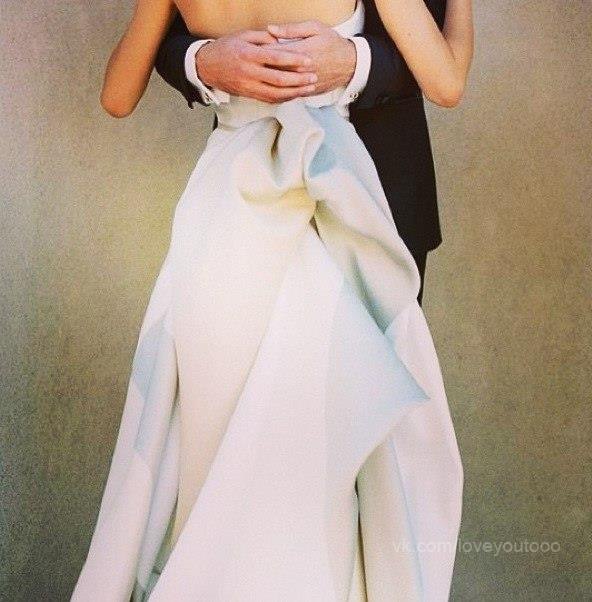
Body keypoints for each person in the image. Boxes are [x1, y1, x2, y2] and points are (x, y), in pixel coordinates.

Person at [72, 1, 472, 600]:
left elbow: (116, 96)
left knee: (218, 451)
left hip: (228, 221)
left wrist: (207, 54)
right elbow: (447, 80)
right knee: (342, 461)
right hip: (345, 211)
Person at [153, 0, 456, 306]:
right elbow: (168, 38)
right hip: (262, 175)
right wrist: (198, 61)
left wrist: (356, 60)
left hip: (386, 183)